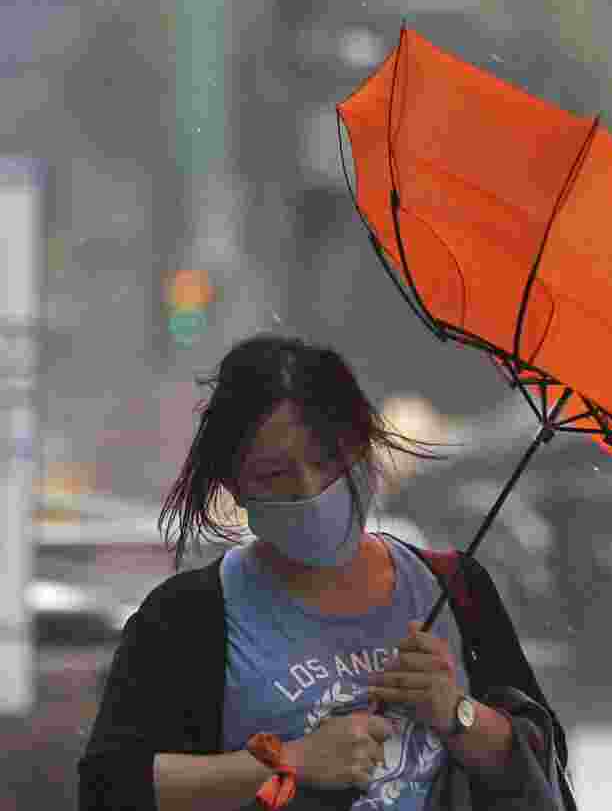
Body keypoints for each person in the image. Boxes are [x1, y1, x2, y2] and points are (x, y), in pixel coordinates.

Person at [78, 333, 569, 811]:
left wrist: (455, 712)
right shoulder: (187, 616)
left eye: (328, 459)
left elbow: (540, 765)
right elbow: (111, 788)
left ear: (365, 446)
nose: (310, 489)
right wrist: (289, 762)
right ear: (235, 486)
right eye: (275, 474)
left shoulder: (455, 588)